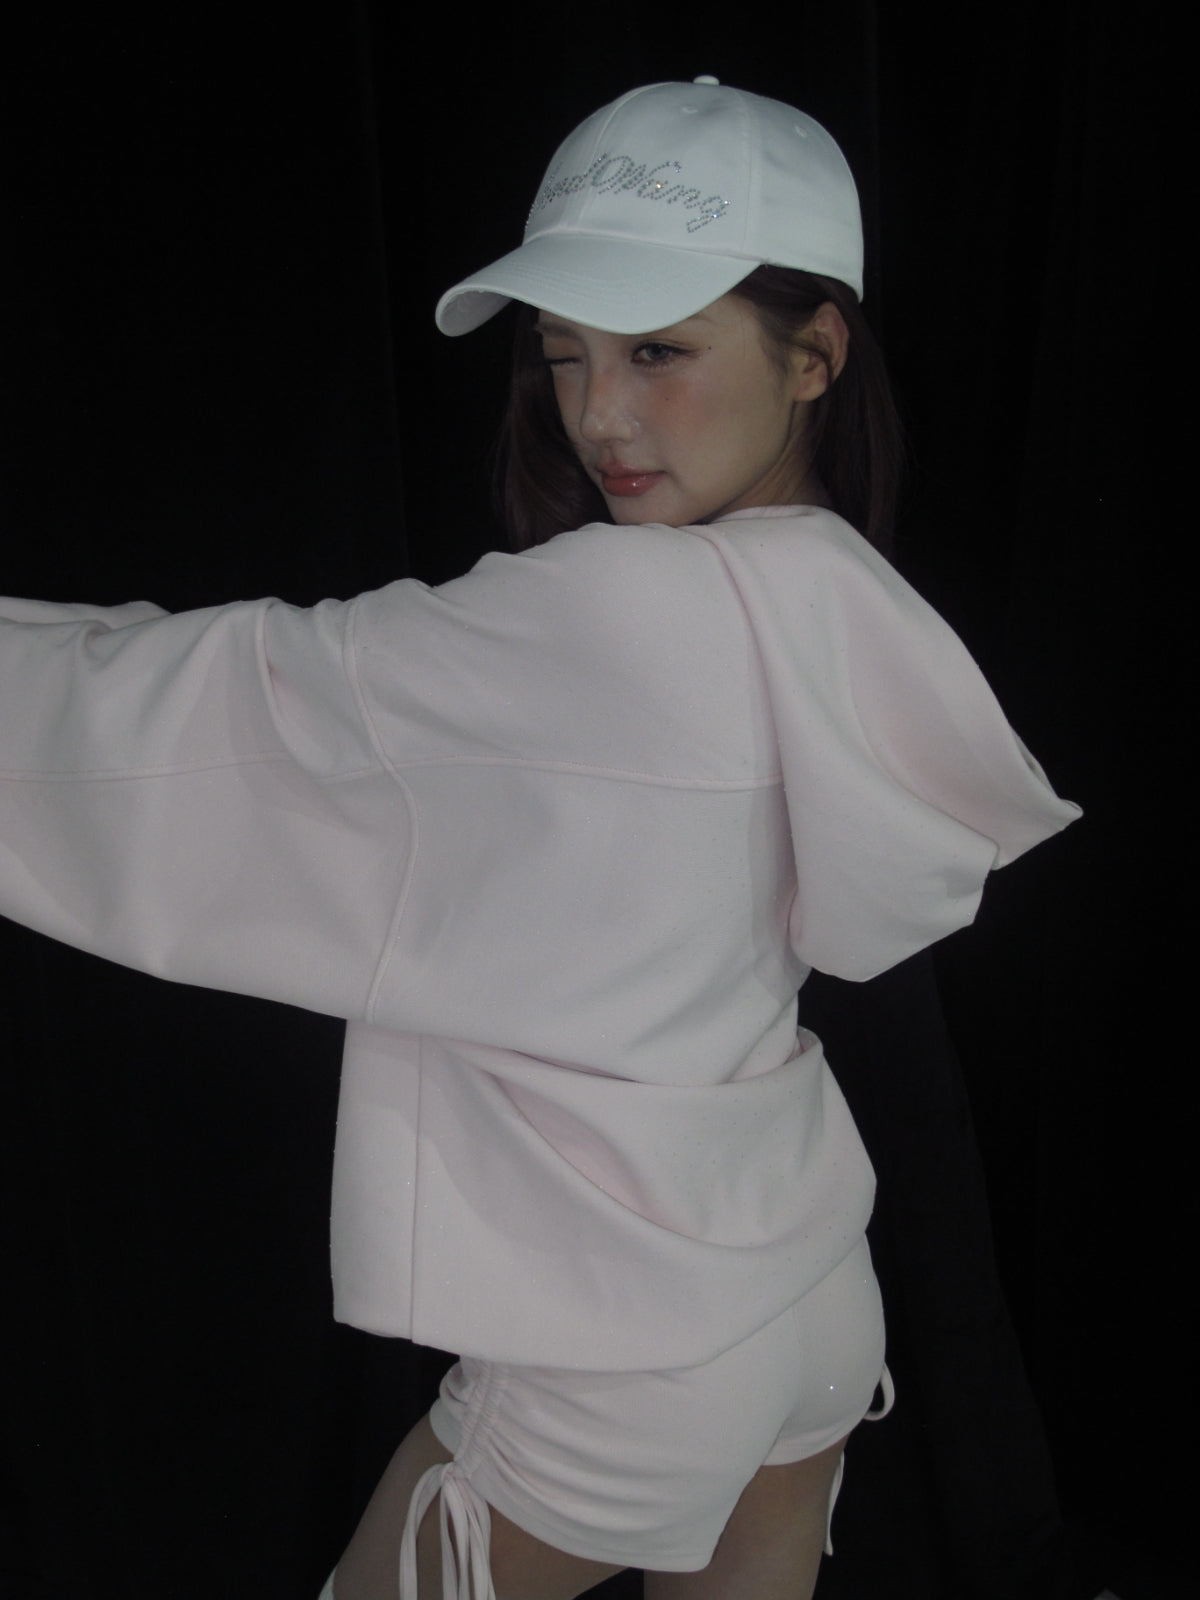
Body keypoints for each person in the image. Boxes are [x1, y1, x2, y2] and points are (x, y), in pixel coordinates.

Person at [0, 79, 1079, 1600]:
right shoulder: (834, 591)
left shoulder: (616, 609)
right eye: (565, 353)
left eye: (657, 351)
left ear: (816, 352)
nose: (597, 415)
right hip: (809, 1291)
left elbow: (224, 717)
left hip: (622, 1351)